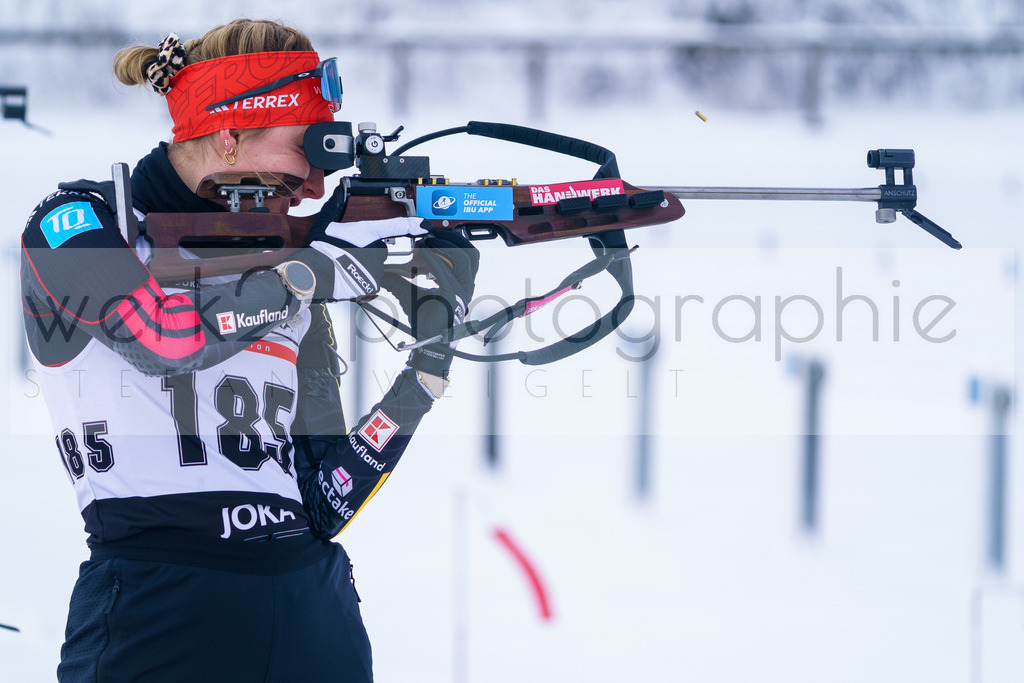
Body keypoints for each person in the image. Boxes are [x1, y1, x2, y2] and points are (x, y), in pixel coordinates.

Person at [20, 18, 478, 683]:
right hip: (157, 608)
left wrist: (427, 368)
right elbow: (166, 339)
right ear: (231, 136)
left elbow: (322, 502)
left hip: (313, 613)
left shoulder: (286, 261)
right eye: (307, 151)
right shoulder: (81, 224)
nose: (317, 185)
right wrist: (305, 274)